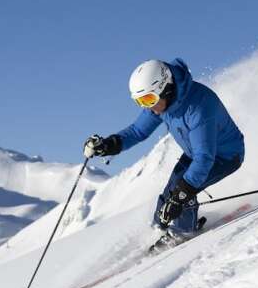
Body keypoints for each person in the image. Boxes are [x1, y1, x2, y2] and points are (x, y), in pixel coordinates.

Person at [82, 58, 245, 238]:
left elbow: (205, 158)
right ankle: (158, 229)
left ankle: (182, 233)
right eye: (140, 101)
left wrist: (182, 196)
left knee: (182, 192)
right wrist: (108, 145)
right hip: (195, 153)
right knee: (171, 192)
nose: (148, 107)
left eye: (149, 99)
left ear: (165, 87)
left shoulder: (199, 107)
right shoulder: (161, 103)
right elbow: (137, 131)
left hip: (225, 156)